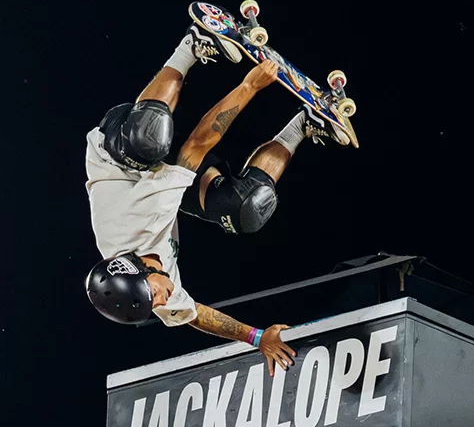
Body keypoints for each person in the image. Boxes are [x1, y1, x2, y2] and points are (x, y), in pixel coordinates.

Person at [84, 26, 327, 373]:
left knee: (149, 139)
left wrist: (250, 85)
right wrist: (257, 337)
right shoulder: (154, 289)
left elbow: (197, 144)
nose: (162, 301)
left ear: (139, 269)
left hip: (118, 148)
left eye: (154, 296)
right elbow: (195, 315)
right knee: (245, 209)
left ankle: (192, 44)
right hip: (159, 181)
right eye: (154, 304)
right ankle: (305, 123)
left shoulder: (135, 223)